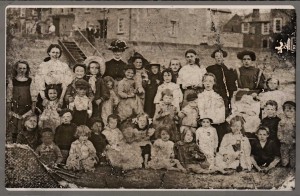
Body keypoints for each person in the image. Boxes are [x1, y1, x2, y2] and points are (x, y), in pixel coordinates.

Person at [32, 44, 73, 112]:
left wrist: (61, 98)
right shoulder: (43, 65)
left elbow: (65, 84)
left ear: (60, 54)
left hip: (59, 91)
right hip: (46, 91)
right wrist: (44, 98)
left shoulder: (64, 66)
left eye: (57, 52)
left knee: (59, 112)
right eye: (53, 52)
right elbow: (40, 82)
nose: (55, 54)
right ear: (49, 53)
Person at [6, 60, 35, 143]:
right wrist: (9, 111)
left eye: (24, 68)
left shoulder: (30, 81)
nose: (22, 70)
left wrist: (32, 111)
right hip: (15, 109)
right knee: (14, 129)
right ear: (16, 69)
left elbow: (33, 98)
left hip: (27, 109)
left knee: (25, 128)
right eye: (20, 68)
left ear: (27, 69)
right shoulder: (12, 81)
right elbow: (9, 97)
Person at [197, 73, 226, 144]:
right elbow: (201, 109)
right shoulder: (200, 96)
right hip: (204, 124)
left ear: (214, 83)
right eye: (206, 81)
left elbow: (221, 112)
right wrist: (205, 121)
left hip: (215, 124)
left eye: (210, 81)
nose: (208, 83)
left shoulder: (217, 97)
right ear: (203, 83)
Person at [206, 49, 237, 117]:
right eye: (216, 56)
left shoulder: (227, 69)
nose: (218, 57)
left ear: (223, 58)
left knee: (225, 112)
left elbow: (231, 83)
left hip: (225, 94)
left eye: (220, 56)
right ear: (214, 58)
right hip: (215, 93)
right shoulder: (210, 69)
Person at [278, 101, 295, 168]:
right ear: (284, 111)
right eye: (287, 111)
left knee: (293, 162)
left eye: (291, 111)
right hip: (284, 142)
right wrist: (281, 138)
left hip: (294, 143)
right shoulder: (282, 122)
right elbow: (279, 131)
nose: (289, 113)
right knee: (284, 162)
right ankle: (285, 163)